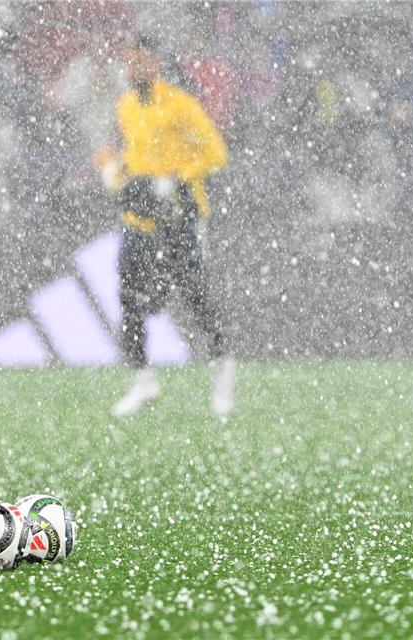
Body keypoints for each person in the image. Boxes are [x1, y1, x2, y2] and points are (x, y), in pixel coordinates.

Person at [109, 37, 235, 420]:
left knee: (195, 294)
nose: (135, 70)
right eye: (130, 62)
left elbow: (216, 153)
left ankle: (223, 368)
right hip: (140, 216)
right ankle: (144, 380)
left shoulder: (180, 104)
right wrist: (120, 173)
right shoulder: (126, 107)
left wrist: (177, 178)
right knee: (130, 296)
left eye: (142, 62)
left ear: (156, 64)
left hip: (179, 214)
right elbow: (135, 155)